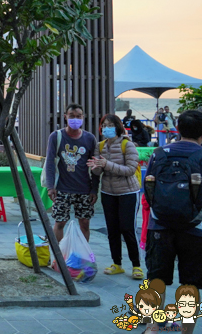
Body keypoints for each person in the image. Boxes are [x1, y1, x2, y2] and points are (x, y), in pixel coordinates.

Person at [144, 110, 202, 301]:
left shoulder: (158, 154)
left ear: (177, 129)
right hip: (197, 228)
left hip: (160, 224)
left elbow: (148, 187)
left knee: (156, 280)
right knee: (190, 285)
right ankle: (186, 330)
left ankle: (153, 328)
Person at [88, 114, 142, 280]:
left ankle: (136, 265)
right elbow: (97, 172)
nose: (106, 128)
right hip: (108, 192)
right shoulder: (100, 145)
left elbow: (130, 170)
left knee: (127, 228)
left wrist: (106, 164)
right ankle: (117, 263)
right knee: (112, 229)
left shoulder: (128, 145)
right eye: (104, 125)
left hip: (128, 192)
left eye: (110, 125)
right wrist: (95, 167)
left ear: (118, 127)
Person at [43, 103, 100, 242]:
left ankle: (83, 256)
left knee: (85, 224)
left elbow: (95, 167)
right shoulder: (56, 136)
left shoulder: (90, 138)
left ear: (83, 117)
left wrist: (94, 189)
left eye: (78, 116)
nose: (75, 119)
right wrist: (51, 187)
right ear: (65, 117)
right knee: (60, 222)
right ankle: (59, 258)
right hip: (62, 189)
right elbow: (50, 162)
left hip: (84, 189)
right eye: (72, 116)